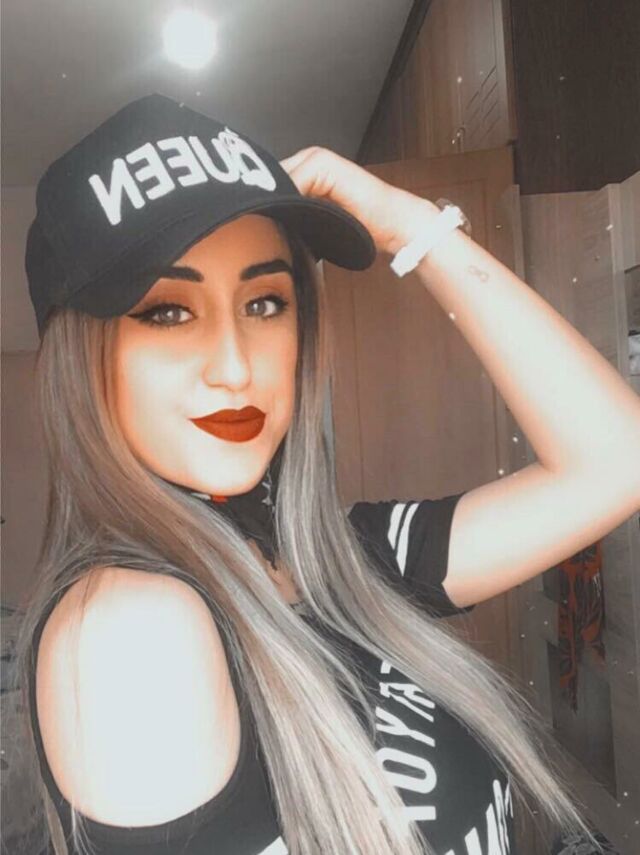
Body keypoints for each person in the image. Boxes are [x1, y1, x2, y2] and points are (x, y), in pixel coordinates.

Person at [12, 93, 619, 855]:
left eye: (266, 301)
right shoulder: (131, 631)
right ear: (79, 358)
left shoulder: (341, 559)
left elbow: (612, 462)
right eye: (168, 311)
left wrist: (412, 227)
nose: (235, 367)